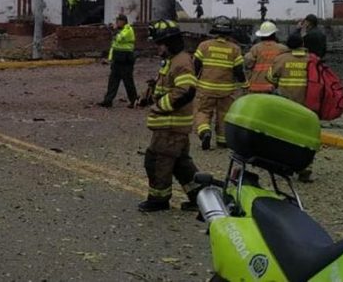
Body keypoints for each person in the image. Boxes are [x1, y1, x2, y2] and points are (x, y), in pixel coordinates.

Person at [136, 19, 200, 212]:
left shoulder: (181, 62)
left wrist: (159, 106)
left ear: (170, 42)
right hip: (172, 126)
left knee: (157, 161)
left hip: (171, 126)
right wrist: (148, 97)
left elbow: (186, 90)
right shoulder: (172, 61)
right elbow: (165, 87)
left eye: (159, 44)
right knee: (181, 165)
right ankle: (200, 197)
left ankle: (158, 200)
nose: (157, 48)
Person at [266, 32, 313, 182]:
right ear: (302, 45)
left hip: (285, 104)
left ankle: (283, 166)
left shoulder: (281, 59)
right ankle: (305, 168)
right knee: (306, 138)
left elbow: (270, 78)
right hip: (306, 106)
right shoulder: (311, 60)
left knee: (284, 136)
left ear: (288, 45)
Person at [193, 21, 245, 150]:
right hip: (226, 90)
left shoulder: (204, 46)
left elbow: (196, 66)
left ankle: (204, 131)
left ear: (215, 32)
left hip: (206, 88)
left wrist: (193, 80)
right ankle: (222, 140)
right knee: (224, 115)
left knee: (202, 111)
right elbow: (239, 70)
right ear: (228, 34)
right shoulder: (235, 48)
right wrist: (245, 84)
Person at [98, 14, 138, 108]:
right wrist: (110, 59)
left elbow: (120, 38)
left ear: (124, 21)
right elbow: (114, 46)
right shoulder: (120, 30)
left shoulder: (128, 30)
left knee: (128, 82)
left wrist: (114, 30)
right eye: (117, 21)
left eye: (119, 21)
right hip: (117, 59)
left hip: (126, 60)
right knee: (112, 81)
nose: (117, 23)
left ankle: (134, 101)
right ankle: (108, 101)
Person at [244, 21, 288, 93]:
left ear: (261, 35)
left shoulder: (255, 48)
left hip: (256, 86)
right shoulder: (283, 49)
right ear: (274, 34)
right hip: (274, 88)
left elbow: (248, 63)